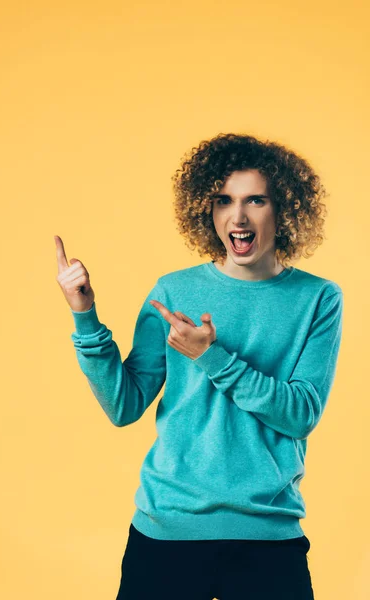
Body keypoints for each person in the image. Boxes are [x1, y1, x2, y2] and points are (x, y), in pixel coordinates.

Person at [54, 133, 344, 599]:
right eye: (224, 200)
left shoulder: (318, 298)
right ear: (206, 211)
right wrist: (84, 314)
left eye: (256, 200)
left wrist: (211, 356)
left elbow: (301, 414)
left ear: (284, 209)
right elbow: (124, 405)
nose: (239, 216)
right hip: (166, 531)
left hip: (266, 538)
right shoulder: (172, 292)